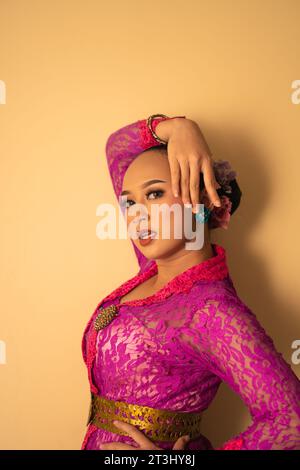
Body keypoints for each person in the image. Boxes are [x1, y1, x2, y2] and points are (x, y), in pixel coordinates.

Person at [81, 114, 300, 450]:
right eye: (130, 202)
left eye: (154, 195)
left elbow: (292, 422)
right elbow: (117, 148)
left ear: (201, 200)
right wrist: (179, 128)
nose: (137, 215)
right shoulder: (154, 269)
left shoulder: (211, 309)